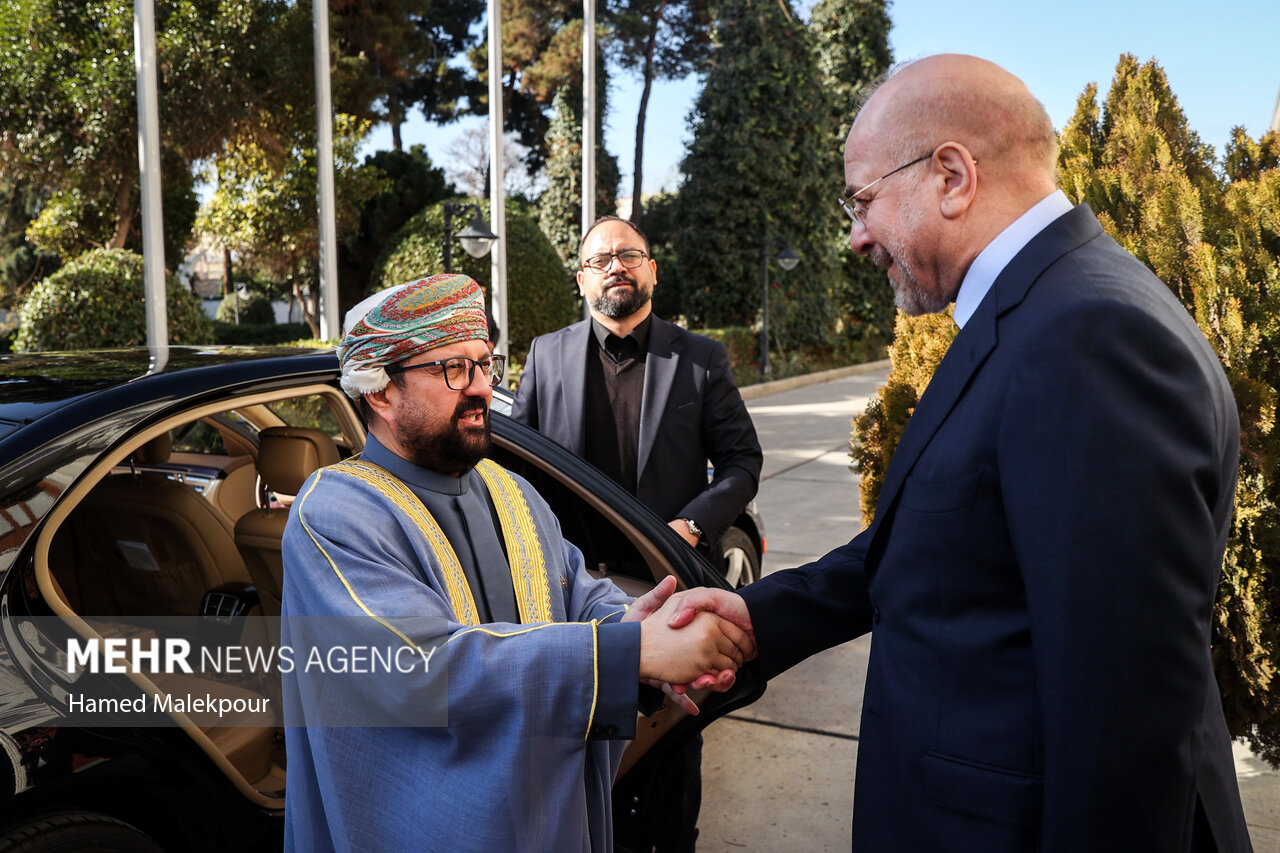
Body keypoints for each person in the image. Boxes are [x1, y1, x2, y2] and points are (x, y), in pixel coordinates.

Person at [670, 55, 1252, 852]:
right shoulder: (1037, 310)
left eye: (864, 200)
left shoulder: (1089, 338)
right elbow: (938, 544)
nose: (857, 236)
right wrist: (755, 614)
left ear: (951, 175)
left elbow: (1125, 718)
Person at [279, 274, 750, 853]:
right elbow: (421, 670)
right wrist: (632, 653)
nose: (479, 387)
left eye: (485, 364)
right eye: (453, 369)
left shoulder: (510, 490)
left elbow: (579, 595)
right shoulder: (335, 511)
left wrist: (649, 627)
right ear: (380, 391)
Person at [513, 215, 764, 852]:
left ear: (652, 268)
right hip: (569, 597)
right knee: (582, 748)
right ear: (581, 280)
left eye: (629, 254)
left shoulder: (700, 357)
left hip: (665, 583)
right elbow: (511, 468)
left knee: (670, 753)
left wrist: (691, 526)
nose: (616, 266)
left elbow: (742, 464)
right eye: (601, 259)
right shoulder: (547, 354)